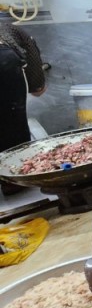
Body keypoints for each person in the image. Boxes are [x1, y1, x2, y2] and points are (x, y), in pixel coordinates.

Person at [0, 21, 46, 197]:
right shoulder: (9, 28)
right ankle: (13, 183)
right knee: (11, 123)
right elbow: (32, 57)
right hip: (3, 60)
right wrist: (37, 85)